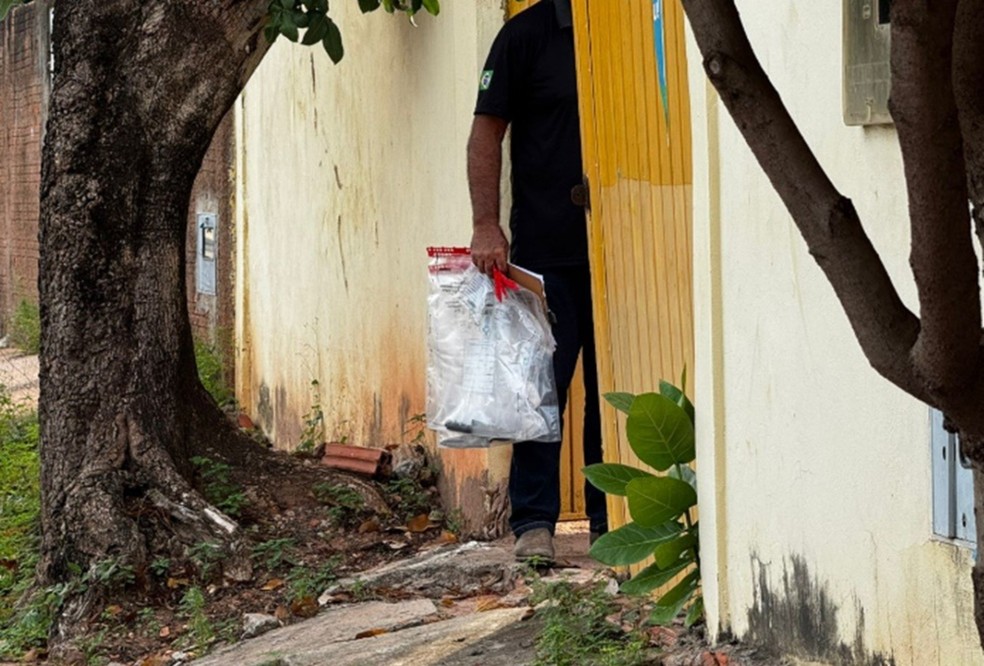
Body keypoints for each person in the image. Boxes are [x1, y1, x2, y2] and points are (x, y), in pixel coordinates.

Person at [466, 0, 607, 562]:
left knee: (611, 393)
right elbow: (485, 135)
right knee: (541, 391)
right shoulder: (521, 38)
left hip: (622, 247)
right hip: (547, 252)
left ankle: (609, 520)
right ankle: (533, 523)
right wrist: (485, 225)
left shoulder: (639, 30)